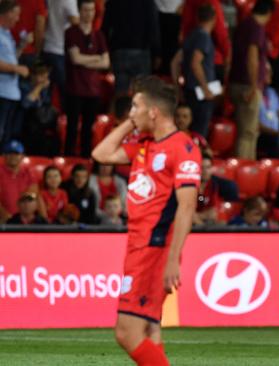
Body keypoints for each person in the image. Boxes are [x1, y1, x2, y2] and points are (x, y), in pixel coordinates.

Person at [92, 75, 200, 366]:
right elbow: (100, 154)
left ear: (153, 111)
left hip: (155, 248)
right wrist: (132, 123)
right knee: (150, 330)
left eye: (135, 107)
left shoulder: (183, 148)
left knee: (126, 333)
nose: (131, 112)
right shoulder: (144, 144)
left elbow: (187, 207)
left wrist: (173, 258)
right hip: (137, 245)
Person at [64, 0, 110, 157]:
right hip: (75, 88)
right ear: (79, 11)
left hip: (93, 90)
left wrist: (86, 60)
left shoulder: (98, 35)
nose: (88, 14)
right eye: (85, 10)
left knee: (88, 129)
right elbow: (75, 59)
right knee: (72, 128)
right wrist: (96, 58)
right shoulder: (71, 32)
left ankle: (85, 160)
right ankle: (69, 157)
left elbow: (106, 62)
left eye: (91, 10)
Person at [229, 0, 274, 160]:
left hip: (237, 82)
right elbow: (252, 57)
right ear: (269, 13)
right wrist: (253, 86)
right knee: (248, 132)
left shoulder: (244, 24)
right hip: (246, 85)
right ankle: (244, 168)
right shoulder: (256, 27)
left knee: (248, 131)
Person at [174, 4, 216, 140]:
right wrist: (206, 88)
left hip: (190, 89)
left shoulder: (191, 35)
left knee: (190, 131)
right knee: (198, 134)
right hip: (200, 93)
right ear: (214, 19)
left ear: (197, 18)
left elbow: (174, 63)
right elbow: (195, 63)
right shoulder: (203, 37)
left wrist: (177, 87)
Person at [101, 0, 160, 94]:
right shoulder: (147, 2)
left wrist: (107, 51)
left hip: (119, 51)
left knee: (121, 93)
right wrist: (156, 53)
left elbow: (105, 28)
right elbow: (153, 28)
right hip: (141, 51)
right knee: (142, 93)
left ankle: (121, 108)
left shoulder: (113, 2)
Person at [0, 0, 29, 146]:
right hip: (2, 93)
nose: (18, 19)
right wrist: (16, 69)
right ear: (7, 14)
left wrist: (22, 46)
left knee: (7, 136)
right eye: (16, 14)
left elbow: (11, 58)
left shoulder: (7, 34)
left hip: (11, 93)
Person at [42, 0, 79, 105]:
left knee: (46, 90)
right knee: (65, 93)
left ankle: (44, 118)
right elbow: (75, 22)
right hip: (60, 48)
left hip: (47, 46)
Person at [19, 61, 59, 156]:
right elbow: (26, 104)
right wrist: (40, 87)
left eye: (46, 77)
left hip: (39, 129)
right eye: (42, 76)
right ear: (33, 75)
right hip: (23, 127)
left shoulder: (45, 90)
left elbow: (45, 108)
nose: (45, 80)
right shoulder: (24, 86)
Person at [0, 140, 38, 223]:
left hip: (25, 221)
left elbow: (33, 196)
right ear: (4, 155)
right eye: (9, 153)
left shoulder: (29, 173)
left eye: (16, 154)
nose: (13, 156)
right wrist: (8, 218)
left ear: (22, 156)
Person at [194, 155, 238, 226]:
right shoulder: (190, 186)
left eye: (208, 167)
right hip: (190, 223)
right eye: (202, 168)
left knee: (222, 224)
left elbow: (212, 213)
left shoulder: (213, 184)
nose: (205, 171)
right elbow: (188, 214)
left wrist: (199, 216)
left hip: (204, 222)